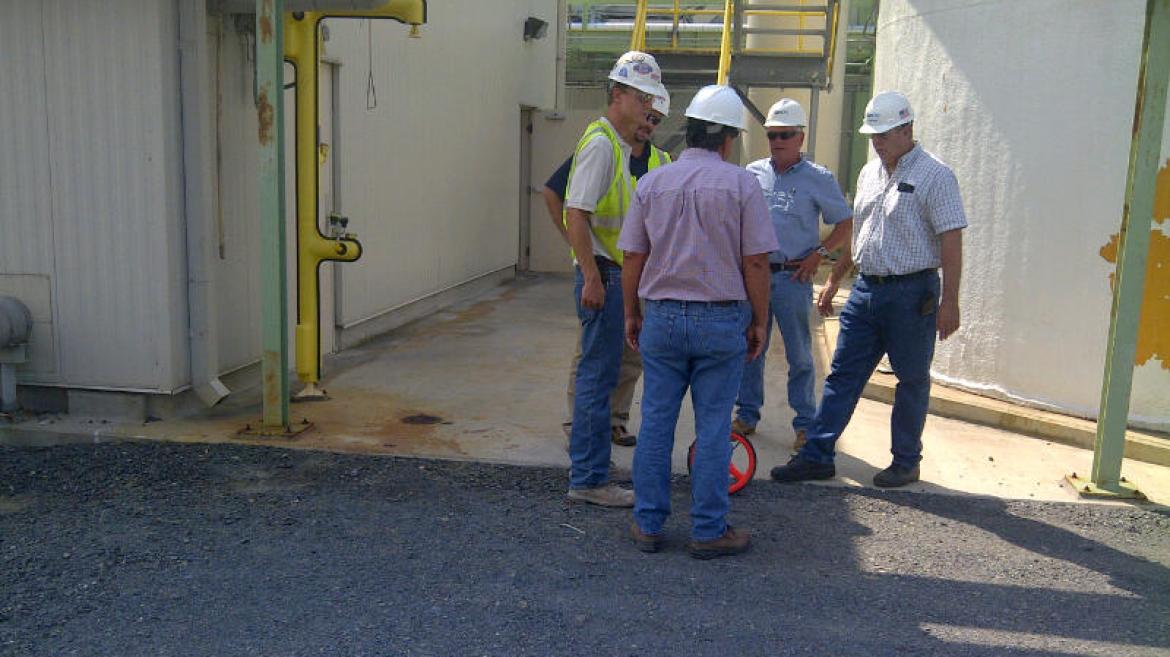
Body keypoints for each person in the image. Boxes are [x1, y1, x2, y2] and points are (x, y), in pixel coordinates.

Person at [770, 91, 967, 489]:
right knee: (843, 374)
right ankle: (818, 455)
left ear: (907, 129)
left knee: (911, 378)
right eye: (873, 135)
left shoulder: (935, 175)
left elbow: (951, 239)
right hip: (866, 289)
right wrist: (833, 280)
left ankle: (906, 461)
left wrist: (950, 301)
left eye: (884, 134)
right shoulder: (868, 173)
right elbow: (860, 233)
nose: (877, 142)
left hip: (913, 294)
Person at [619, 85, 777, 558]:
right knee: (711, 426)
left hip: (663, 318)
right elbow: (755, 264)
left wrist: (631, 312)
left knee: (656, 423)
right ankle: (708, 531)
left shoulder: (652, 183)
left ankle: (648, 524)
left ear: (687, 132)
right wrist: (759, 322)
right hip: (720, 320)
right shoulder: (743, 186)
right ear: (727, 139)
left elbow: (633, 256)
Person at [563, 51, 667, 508]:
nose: (648, 106)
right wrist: (590, 277)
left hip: (613, 274)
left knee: (603, 378)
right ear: (618, 93)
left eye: (652, 98)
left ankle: (595, 467)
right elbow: (575, 212)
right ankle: (588, 479)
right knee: (596, 379)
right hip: (603, 274)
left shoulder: (621, 147)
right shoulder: (603, 143)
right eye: (641, 96)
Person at [543, 94, 672, 447]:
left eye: (656, 120)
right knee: (593, 356)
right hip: (605, 273)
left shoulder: (662, 162)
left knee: (631, 354)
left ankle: (614, 420)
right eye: (647, 115)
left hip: (640, 277)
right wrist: (578, 248)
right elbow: (555, 195)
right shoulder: (603, 150)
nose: (648, 124)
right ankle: (580, 428)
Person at [730, 98, 853, 456]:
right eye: (772, 135)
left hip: (792, 279)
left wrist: (820, 255)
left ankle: (804, 425)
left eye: (785, 135)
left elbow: (844, 224)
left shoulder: (819, 179)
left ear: (800, 137)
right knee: (751, 348)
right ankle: (747, 415)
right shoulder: (752, 173)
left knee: (800, 356)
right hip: (755, 276)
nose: (777, 141)